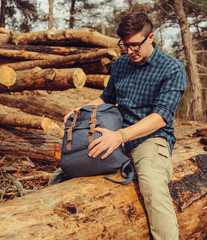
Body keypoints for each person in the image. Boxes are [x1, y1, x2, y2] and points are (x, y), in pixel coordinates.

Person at [62, 12, 187, 239]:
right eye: (125, 45)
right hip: (114, 133)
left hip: (150, 138)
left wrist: (120, 136)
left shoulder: (172, 68)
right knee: (68, 170)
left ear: (151, 38)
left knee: (151, 184)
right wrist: (81, 110)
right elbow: (107, 98)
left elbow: (161, 116)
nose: (130, 51)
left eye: (135, 45)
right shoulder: (120, 64)